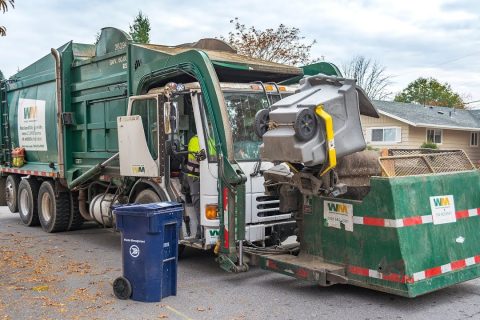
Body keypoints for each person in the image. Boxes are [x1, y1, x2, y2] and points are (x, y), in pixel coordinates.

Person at [186, 135, 201, 238]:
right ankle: (200, 231)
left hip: (206, 175)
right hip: (195, 176)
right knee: (198, 202)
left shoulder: (211, 139)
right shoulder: (195, 140)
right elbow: (199, 157)